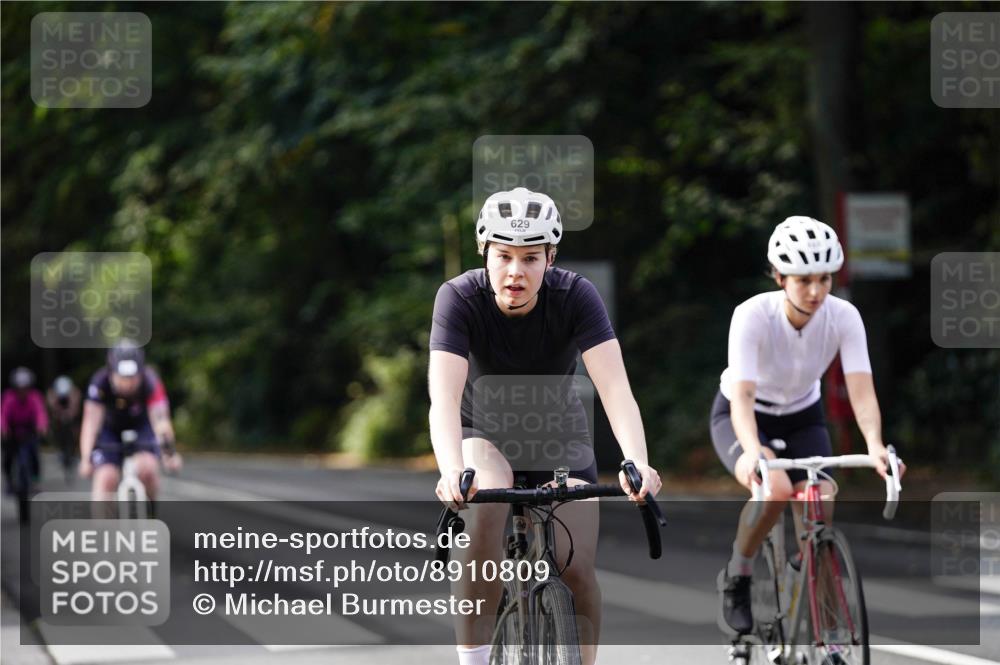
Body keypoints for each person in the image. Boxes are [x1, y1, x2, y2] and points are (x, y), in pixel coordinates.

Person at [429, 187, 661, 665]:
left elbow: (615, 389)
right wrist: (451, 470)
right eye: (504, 256)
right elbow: (444, 400)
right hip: (482, 434)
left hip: (558, 435)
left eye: (531, 258)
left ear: (550, 258)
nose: (516, 271)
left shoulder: (576, 296)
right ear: (484, 253)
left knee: (577, 569)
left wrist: (637, 461)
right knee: (485, 510)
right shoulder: (458, 298)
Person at [711, 216, 906, 636]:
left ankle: (826, 624)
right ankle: (738, 573)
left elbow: (861, 391)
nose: (816, 292)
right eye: (804, 281)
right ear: (780, 277)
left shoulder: (844, 316)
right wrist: (754, 451)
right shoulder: (752, 315)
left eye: (824, 279)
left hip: (803, 415)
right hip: (745, 414)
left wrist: (875, 445)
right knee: (775, 490)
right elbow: (742, 398)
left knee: (821, 503)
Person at [79, 340, 182, 502]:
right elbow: (91, 424)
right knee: (106, 477)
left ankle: (150, 510)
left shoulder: (151, 382)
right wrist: (86, 459)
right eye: (122, 378)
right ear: (112, 372)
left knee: (148, 470)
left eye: (132, 378)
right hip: (109, 429)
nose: (127, 384)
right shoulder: (100, 383)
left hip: (141, 426)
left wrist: (169, 453)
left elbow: (161, 422)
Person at [1, 367, 48, 492]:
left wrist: (42, 426)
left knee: (34, 455)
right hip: (12, 433)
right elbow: (3, 415)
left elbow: (40, 413)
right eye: (19, 388)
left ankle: (35, 480)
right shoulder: (9, 397)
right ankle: (9, 481)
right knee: (8, 457)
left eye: (25, 388)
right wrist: (3, 428)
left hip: (29, 432)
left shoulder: (34, 397)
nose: (22, 391)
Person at [47, 375, 82, 480]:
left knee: (75, 430)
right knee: (56, 428)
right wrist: (58, 413)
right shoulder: (52, 393)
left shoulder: (74, 392)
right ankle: (59, 447)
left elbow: (75, 407)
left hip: (71, 415)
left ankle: (73, 450)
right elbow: (53, 406)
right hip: (59, 415)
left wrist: (70, 413)